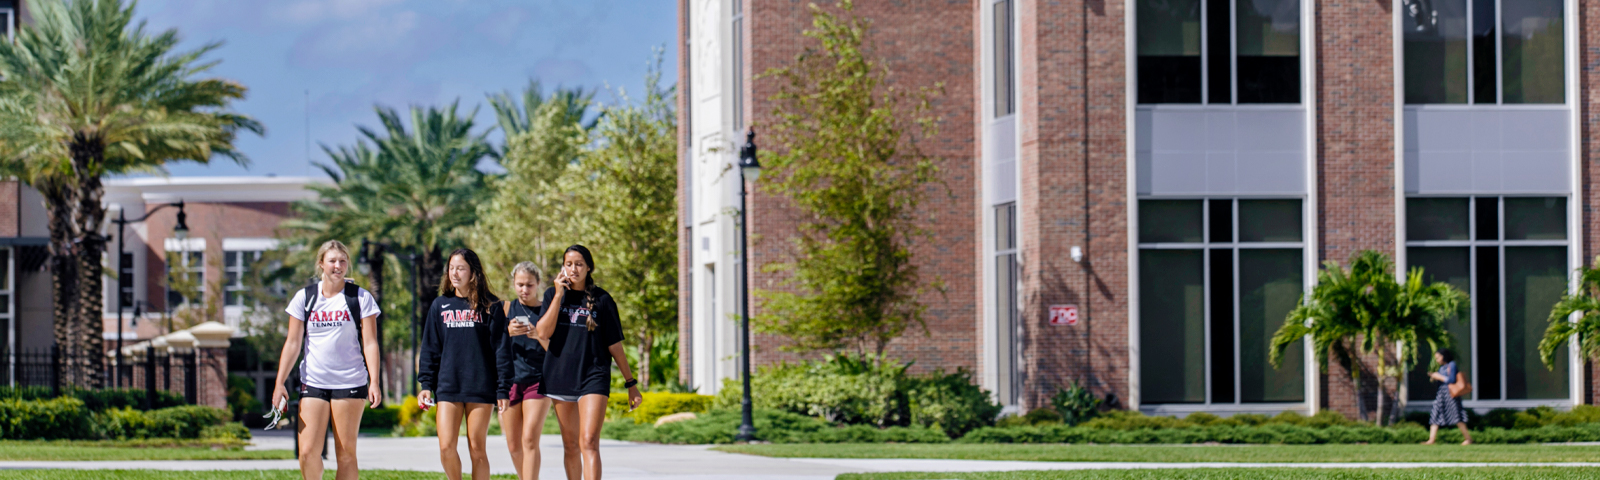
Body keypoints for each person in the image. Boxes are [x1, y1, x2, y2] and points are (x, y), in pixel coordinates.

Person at [271, 240, 383, 480]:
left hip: (350, 382)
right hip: (313, 381)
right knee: (307, 453)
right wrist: (280, 382)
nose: (338, 266)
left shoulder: (360, 297)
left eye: (343, 261)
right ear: (321, 263)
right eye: (332, 261)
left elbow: (371, 343)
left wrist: (374, 381)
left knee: (345, 454)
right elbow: (292, 343)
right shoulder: (305, 297)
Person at [531, 245, 643, 480]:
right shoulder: (553, 295)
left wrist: (630, 383)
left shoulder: (602, 299)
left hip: (594, 375)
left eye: (579, 264)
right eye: (569, 264)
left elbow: (615, 345)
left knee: (589, 442)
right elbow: (542, 332)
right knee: (571, 445)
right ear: (563, 267)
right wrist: (559, 295)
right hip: (560, 376)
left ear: (588, 267)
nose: (573, 269)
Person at [418, 248, 509, 480]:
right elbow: (430, 348)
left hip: (481, 386)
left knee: (477, 448)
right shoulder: (440, 305)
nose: (454, 273)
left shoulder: (492, 306)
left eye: (461, 268)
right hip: (448, 385)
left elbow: (501, 350)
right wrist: (426, 384)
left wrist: (502, 389)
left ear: (473, 272)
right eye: (451, 268)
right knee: (446, 446)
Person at [500, 261, 574, 480]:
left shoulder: (546, 310)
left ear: (538, 284)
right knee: (514, 445)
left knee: (530, 438)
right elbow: (491, 345)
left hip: (539, 380)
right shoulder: (505, 309)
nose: (524, 290)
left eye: (529, 285)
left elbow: (558, 351)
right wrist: (507, 332)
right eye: (520, 284)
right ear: (513, 284)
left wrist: (538, 335)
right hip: (511, 381)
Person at [1423, 348, 1474, 445]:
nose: (1437, 360)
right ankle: (1431, 439)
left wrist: (1439, 377)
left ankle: (1468, 438)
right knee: (1435, 414)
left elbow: (1451, 380)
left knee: (1456, 415)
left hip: (1451, 394)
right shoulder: (1441, 368)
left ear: (1444, 356)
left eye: (1438, 357)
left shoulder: (1452, 365)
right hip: (1441, 394)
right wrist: (1434, 377)